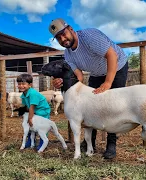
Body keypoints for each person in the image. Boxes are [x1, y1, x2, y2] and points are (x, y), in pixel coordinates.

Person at [48, 18, 129, 159]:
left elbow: (112, 56)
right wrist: (62, 82)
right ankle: (89, 142)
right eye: (58, 38)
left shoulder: (89, 36)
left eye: (63, 33)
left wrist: (108, 83)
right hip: (97, 73)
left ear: (71, 29)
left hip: (117, 66)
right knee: (91, 106)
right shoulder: (68, 54)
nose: (63, 39)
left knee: (113, 105)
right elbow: (78, 77)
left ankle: (111, 144)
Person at [17, 73, 51, 151]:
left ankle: (43, 142)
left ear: (30, 85)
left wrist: (30, 118)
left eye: (23, 84)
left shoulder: (33, 93)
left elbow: (32, 107)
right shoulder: (23, 95)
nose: (21, 86)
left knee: (41, 126)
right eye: (19, 84)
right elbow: (27, 107)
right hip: (35, 111)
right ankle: (30, 141)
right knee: (30, 126)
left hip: (42, 111)